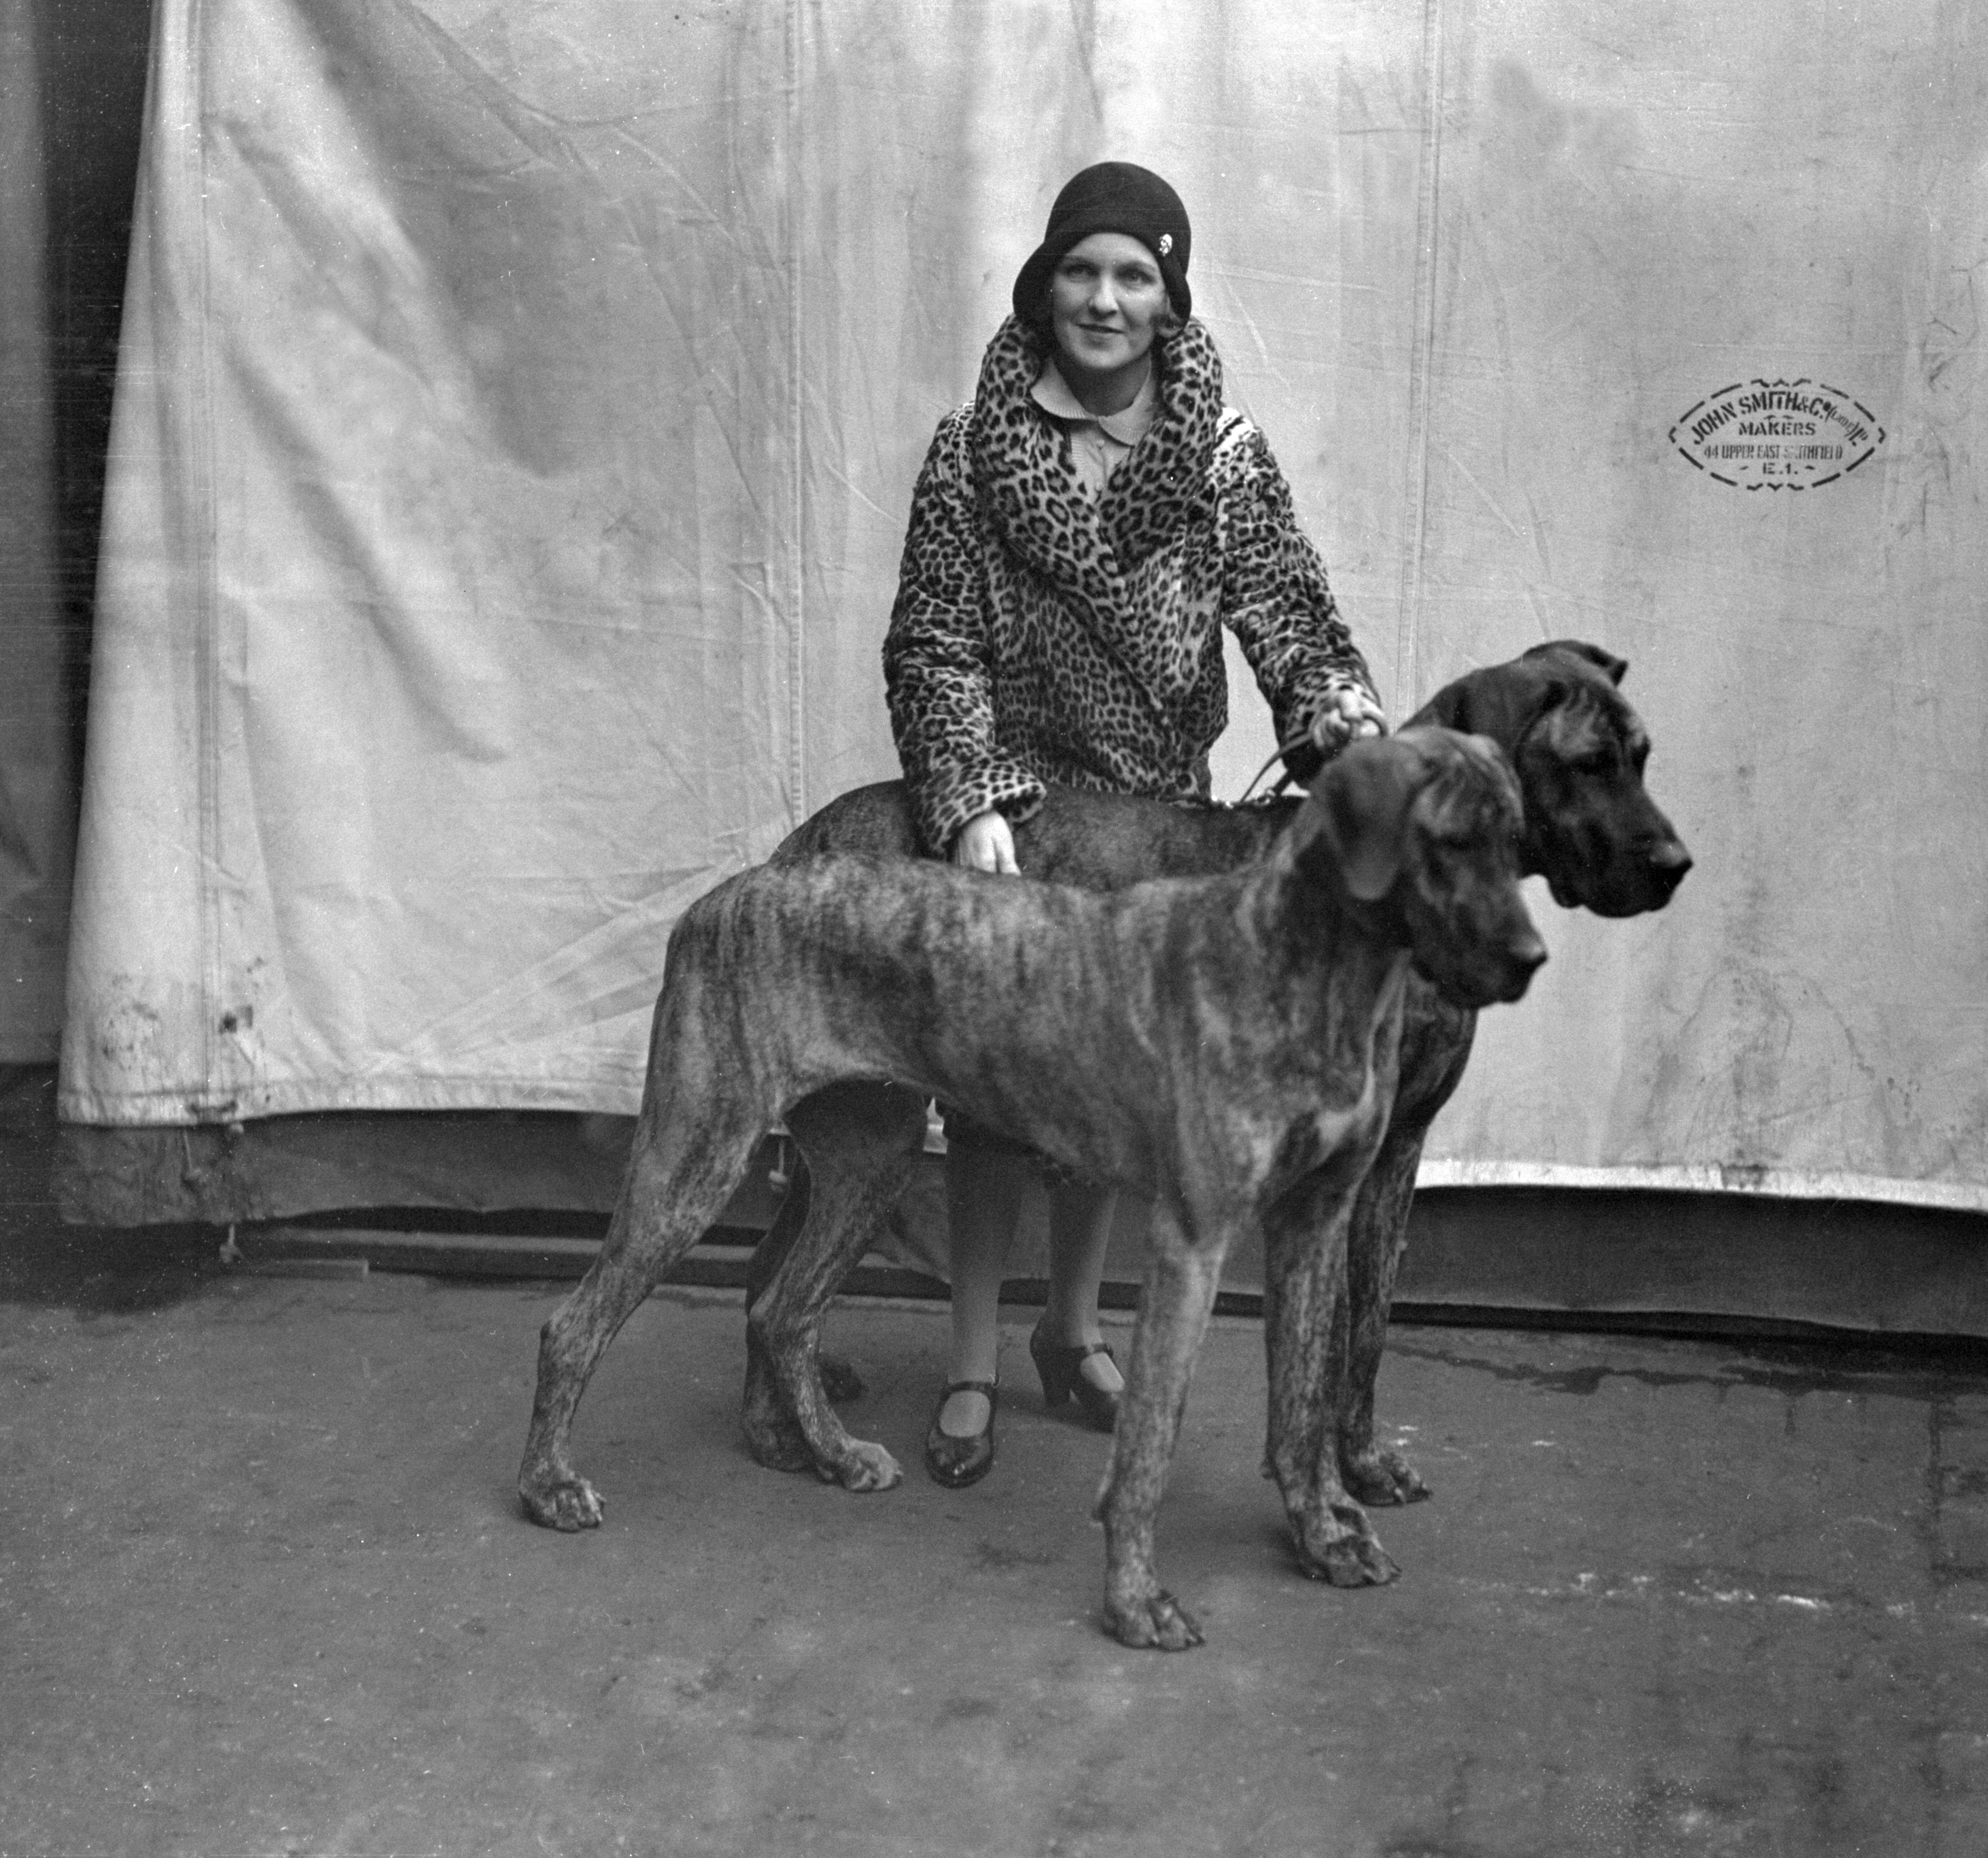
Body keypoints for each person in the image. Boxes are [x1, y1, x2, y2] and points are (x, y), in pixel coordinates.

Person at [881, 161, 1384, 1487]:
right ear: (1043, 287)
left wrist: (1340, 716)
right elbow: (934, 640)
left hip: (1158, 829)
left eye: (1134, 276)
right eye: (1080, 271)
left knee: (1115, 1084)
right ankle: (976, 1358)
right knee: (991, 1091)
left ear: (1171, 300)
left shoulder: (1222, 455)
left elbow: (1289, 611)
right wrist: (966, 795)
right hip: (1026, 821)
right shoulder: (973, 447)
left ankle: (1071, 1330)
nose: (1104, 300)